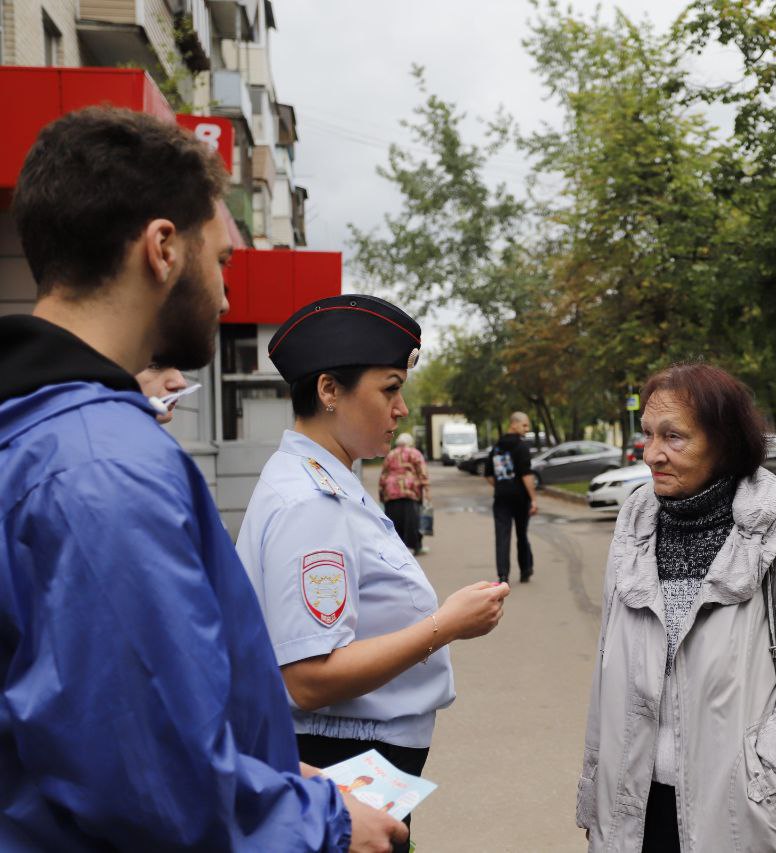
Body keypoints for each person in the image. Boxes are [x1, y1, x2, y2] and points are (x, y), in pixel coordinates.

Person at [0, 106, 404, 850]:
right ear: (161, 249)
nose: (225, 293)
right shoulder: (103, 469)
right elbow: (151, 785)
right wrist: (328, 820)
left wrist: (286, 774)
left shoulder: (42, 428)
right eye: (219, 259)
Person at [235, 293, 511, 851]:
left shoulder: (326, 481)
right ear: (329, 390)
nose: (401, 408)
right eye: (389, 388)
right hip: (342, 762)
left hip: (357, 761)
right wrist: (447, 624)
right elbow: (309, 678)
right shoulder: (312, 502)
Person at [576, 363, 776, 852]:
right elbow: (608, 668)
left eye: (674, 437)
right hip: (636, 809)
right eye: (647, 435)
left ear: (725, 440)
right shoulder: (636, 522)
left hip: (741, 816)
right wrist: (596, 787)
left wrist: (772, 781)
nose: (652, 455)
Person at [484, 412, 537, 583]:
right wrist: (534, 499)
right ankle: (526, 570)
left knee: (502, 536)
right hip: (521, 498)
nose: (527, 429)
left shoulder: (496, 447)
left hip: (501, 498)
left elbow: (488, 475)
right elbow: (526, 475)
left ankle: (503, 575)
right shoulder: (521, 447)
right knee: (522, 534)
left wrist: (501, 486)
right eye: (524, 425)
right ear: (514, 424)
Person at [379, 432, 431, 554]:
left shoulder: (390, 454)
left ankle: (396, 549)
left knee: (394, 521)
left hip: (391, 491)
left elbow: (384, 474)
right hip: (410, 490)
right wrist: (426, 489)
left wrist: (381, 493)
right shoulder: (415, 453)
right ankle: (416, 546)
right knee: (412, 521)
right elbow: (422, 471)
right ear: (410, 443)